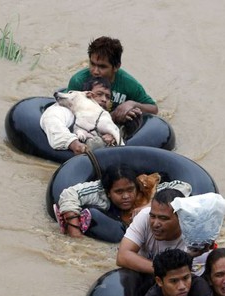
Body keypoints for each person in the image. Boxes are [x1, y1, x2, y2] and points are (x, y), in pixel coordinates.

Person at [56, 164, 191, 238]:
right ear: (109, 192)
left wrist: (150, 205)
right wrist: (73, 228)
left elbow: (184, 187)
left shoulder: (146, 188)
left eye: (130, 190)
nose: (126, 196)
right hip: (111, 218)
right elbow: (69, 193)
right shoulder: (99, 191)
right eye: (119, 192)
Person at [67, 36, 158, 125]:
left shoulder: (129, 84)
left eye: (102, 67)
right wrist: (112, 116)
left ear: (116, 67)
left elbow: (154, 109)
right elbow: (69, 115)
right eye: (92, 64)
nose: (95, 71)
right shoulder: (78, 81)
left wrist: (133, 104)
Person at [116, 188, 187, 274]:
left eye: (163, 218)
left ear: (181, 218)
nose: (155, 224)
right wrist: (164, 271)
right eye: (153, 216)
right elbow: (122, 256)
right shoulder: (144, 216)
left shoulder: (193, 238)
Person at [40, 76, 113, 155]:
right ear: (86, 95)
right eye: (99, 94)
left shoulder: (106, 120)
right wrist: (74, 144)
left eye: (108, 97)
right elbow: (52, 121)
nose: (104, 100)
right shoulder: (64, 110)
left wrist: (111, 139)